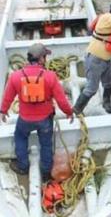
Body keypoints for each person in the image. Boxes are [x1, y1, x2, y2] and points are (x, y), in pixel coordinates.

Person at [0, 43, 73, 181]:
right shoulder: (50, 76)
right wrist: (69, 112)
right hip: (45, 120)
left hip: (25, 119)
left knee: (20, 138)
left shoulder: (15, 76)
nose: (46, 59)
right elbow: (61, 100)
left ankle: (23, 166)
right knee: (46, 144)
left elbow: (7, 96)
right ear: (40, 59)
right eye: (45, 56)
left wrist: (3, 111)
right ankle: (46, 172)